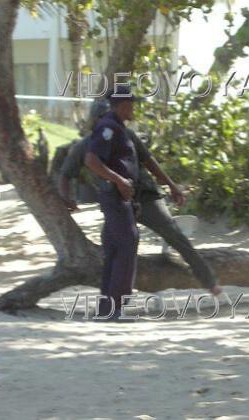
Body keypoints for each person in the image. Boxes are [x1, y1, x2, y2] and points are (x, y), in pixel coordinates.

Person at [60, 99, 222, 299]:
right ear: (96, 121)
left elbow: (150, 162)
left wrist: (171, 185)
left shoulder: (126, 135)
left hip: (146, 197)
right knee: (114, 250)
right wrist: (67, 197)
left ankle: (209, 281)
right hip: (117, 202)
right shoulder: (86, 146)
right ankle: (111, 304)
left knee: (175, 236)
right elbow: (66, 174)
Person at [85, 88, 141, 318]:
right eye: (131, 104)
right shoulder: (108, 127)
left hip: (118, 195)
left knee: (114, 249)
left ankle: (107, 307)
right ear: (122, 104)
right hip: (114, 196)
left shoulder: (119, 127)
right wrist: (119, 181)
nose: (133, 108)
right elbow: (91, 160)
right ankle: (116, 306)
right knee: (128, 243)